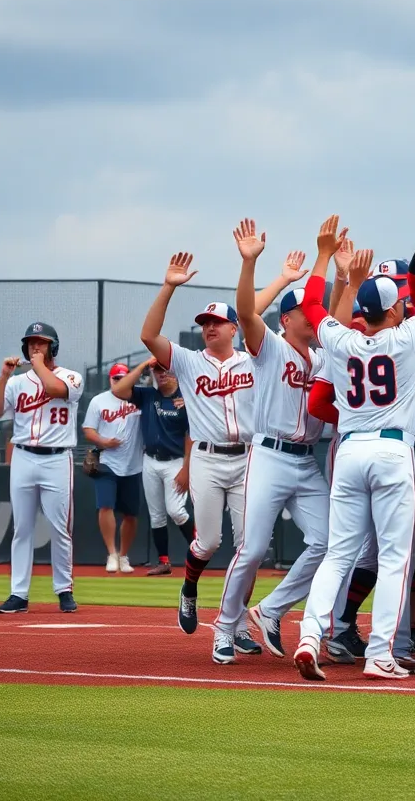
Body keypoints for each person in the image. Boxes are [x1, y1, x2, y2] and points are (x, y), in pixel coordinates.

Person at [291, 199, 415, 682]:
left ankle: (309, 635)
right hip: (391, 449)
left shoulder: (341, 341)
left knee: (340, 553)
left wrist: (324, 259)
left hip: (348, 448)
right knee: (393, 557)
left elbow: (312, 307)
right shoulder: (407, 339)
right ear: (393, 308)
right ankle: (381, 651)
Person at [206, 226, 330, 665]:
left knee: (329, 542)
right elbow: (243, 312)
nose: (315, 318)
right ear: (287, 319)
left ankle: (272, 610)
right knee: (254, 547)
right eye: (306, 313)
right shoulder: (270, 349)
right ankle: (224, 627)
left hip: (307, 461)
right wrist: (250, 262)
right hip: (271, 455)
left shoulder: (323, 357)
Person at [140, 255, 260, 653]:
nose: (208, 328)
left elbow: (255, 311)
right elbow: (149, 335)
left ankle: (237, 625)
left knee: (250, 548)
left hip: (248, 458)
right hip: (208, 458)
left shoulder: (254, 360)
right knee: (207, 542)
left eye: (215, 323)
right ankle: (189, 588)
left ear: (233, 327)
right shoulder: (189, 362)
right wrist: (169, 286)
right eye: (203, 324)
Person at [0, 322, 83, 614]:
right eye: (30, 343)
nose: (34, 348)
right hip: (24, 456)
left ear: (53, 347)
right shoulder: (17, 382)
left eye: (41, 343)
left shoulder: (72, 377)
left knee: (60, 528)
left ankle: (64, 590)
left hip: (57, 458)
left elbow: (54, 388)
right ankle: (19, 594)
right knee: (22, 529)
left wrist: (39, 364)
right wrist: (4, 376)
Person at [110, 357, 193, 574]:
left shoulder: (185, 398)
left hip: (175, 461)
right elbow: (118, 390)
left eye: (165, 369)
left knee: (176, 510)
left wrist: (187, 468)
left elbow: (192, 436)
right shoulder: (147, 395)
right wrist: (143, 367)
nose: (161, 373)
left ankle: (200, 551)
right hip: (150, 460)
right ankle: (164, 562)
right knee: (156, 515)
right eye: (157, 370)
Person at [83, 363, 143, 574]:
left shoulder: (139, 399)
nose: (119, 381)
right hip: (107, 461)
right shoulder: (99, 401)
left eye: (123, 378)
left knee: (130, 514)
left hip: (134, 464)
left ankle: (124, 555)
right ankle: (112, 553)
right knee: (105, 506)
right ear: (110, 379)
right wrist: (103, 441)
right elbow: (88, 430)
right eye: (115, 378)